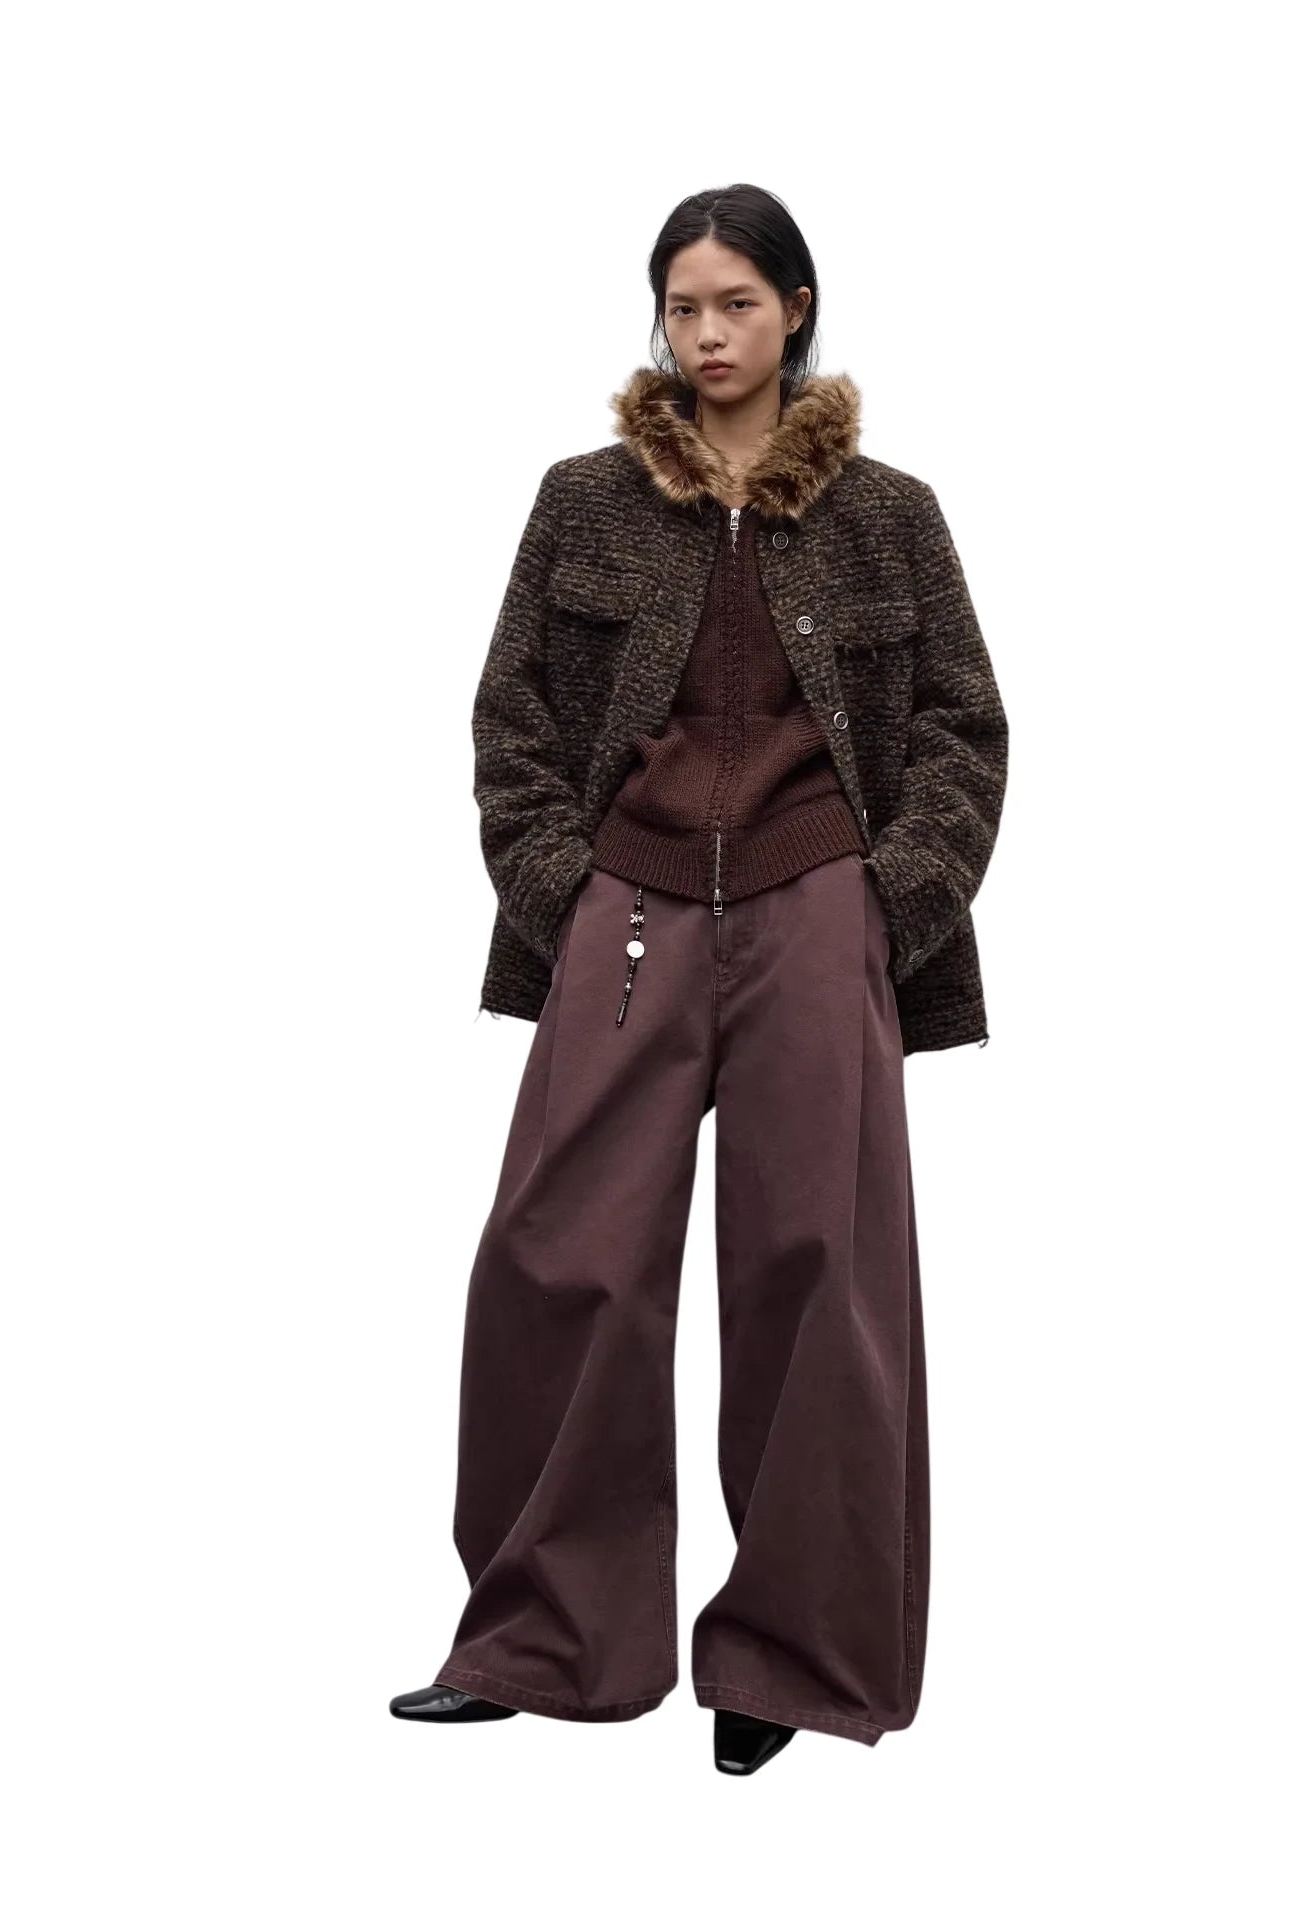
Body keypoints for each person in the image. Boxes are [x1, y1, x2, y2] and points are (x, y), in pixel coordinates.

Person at [390, 182, 1009, 1775]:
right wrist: (559, 881)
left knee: (820, 1270)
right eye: (683, 306)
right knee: (561, 1256)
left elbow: (963, 725)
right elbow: (512, 716)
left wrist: (889, 904)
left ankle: (789, 1665)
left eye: (738, 303)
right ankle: (542, 1639)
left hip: (818, 908)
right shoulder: (586, 500)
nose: (709, 333)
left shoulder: (889, 513)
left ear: (796, 307)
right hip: (629, 909)